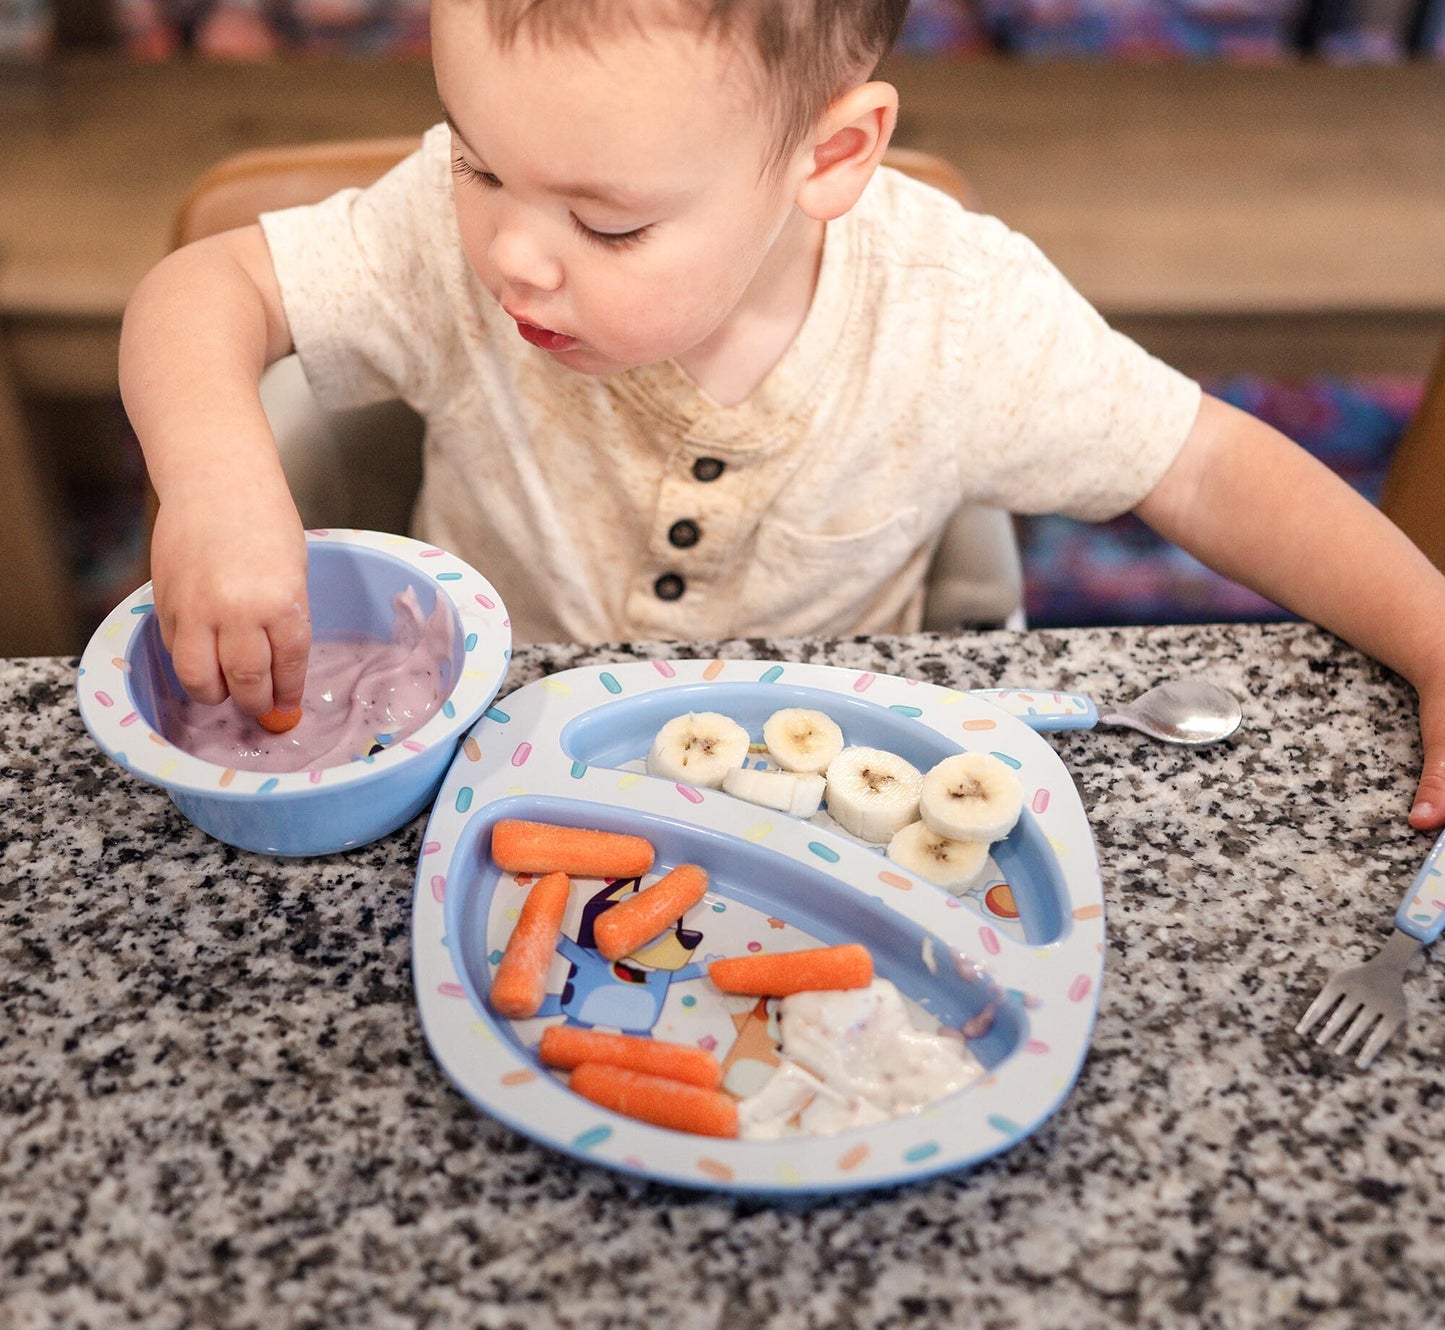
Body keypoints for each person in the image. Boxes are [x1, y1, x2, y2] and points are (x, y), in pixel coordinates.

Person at [118, 0, 1445, 830]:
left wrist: (1433, 637)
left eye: (605, 221)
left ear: (826, 158)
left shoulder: (950, 312)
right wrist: (216, 476)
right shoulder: (441, 237)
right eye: (475, 156)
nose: (512, 253)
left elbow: (1203, 463)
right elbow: (206, 285)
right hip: (492, 769)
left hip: (822, 790)